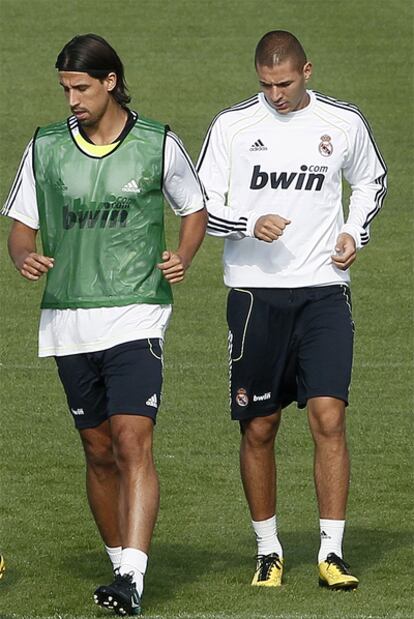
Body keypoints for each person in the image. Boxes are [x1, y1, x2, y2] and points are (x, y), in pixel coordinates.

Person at [2, 33, 207, 616]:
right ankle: (121, 569)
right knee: (96, 451)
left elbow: (193, 208)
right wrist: (23, 255)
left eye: (81, 88)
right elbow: (21, 225)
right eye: (65, 89)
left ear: (110, 82)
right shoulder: (43, 148)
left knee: (131, 439)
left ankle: (134, 577)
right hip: (68, 316)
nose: (71, 99)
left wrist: (184, 255)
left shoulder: (157, 143)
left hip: (137, 309)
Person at [197, 30, 387, 590]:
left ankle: (332, 552)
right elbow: (200, 205)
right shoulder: (233, 127)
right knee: (260, 425)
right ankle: (267, 549)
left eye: (283, 83)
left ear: (307, 70)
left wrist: (354, 231)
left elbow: (372, 178)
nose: (274, 95)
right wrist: (247, 223)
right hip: (256, 294)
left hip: (325, 290)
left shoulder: (343, 122)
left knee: (329, 417)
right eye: (264, 84)